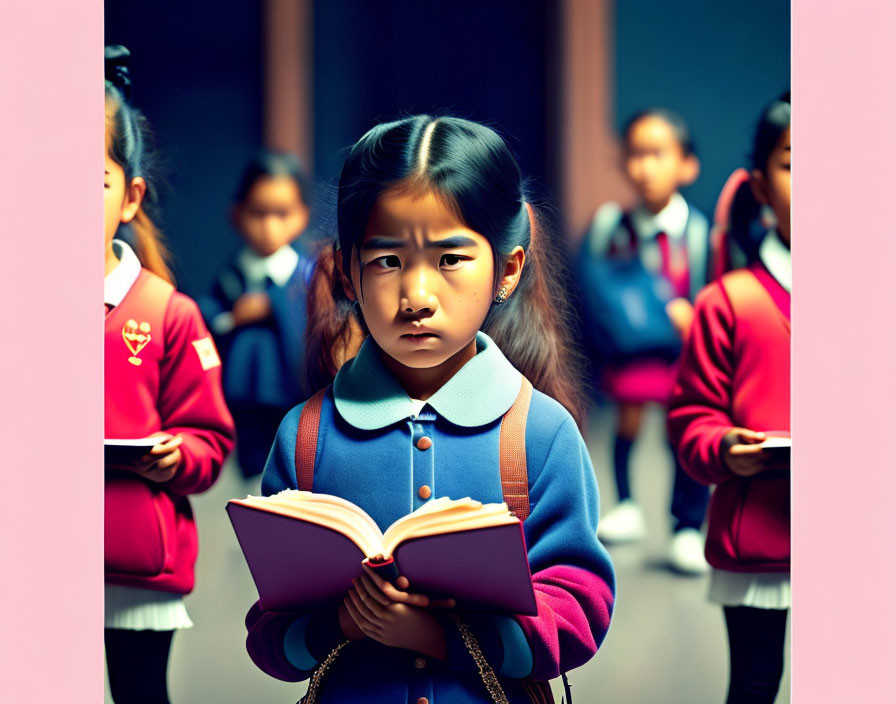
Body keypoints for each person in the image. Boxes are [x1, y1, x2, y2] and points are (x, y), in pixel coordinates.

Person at [243, 115, 615, 703]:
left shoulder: (541, 433)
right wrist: (341, 623)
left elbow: (580, 612)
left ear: (507, 269)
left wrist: (442, 637)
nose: (417, 298)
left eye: (450, 259)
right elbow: (271, 638)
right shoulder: (305, 437)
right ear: (348, 271)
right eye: (388, 261)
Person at [103, 46, 235, 704]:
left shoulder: (168, 313)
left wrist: (172, 456)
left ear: (129, 197)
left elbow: (210, 440)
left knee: (138, 692)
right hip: (32, 556)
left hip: (137, 561)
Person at [667, 91, 791, 704]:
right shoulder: (729, 300)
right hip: (758, 538)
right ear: (763, 186)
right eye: (797, 163)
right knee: (754, 686)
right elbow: (691, 415)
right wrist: (722, 448)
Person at [579, 108, 710, 574]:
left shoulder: (699, 233)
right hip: (630, 353)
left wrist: (696, 317)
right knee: (626, 423)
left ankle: (687, 526)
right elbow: (593, 286)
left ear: (686, 165)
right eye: (635, 155)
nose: (645, 168)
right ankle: (628, 503)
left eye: (657, 155)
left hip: (683, 355)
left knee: (683, 435)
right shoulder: (611, 226)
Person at [200, 151, 314, 481]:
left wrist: (274, 305)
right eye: (258, 213)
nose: (268, 227)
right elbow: (208, 321)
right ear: (237, 215)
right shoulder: (231, 277)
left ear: (302, 216)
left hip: (293, 400)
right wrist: (233, 318)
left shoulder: (307, 278)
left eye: (281, 214)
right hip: (240, 405)